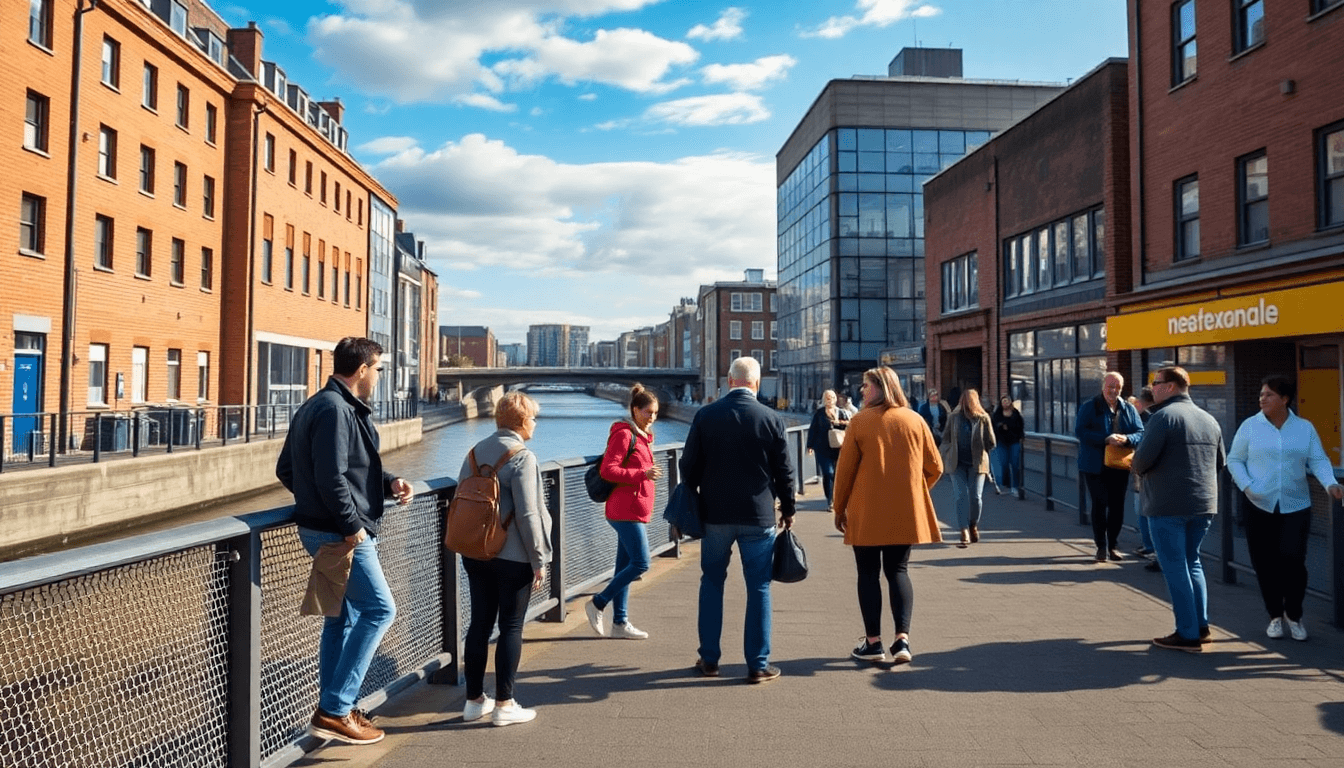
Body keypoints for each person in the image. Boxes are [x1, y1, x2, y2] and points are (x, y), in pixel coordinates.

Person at [276, 337, 414, 746]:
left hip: (327, 528)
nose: (379, 376)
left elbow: (291, 470)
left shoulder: (322, 404)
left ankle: (336, 706)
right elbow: (331, 477)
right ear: (361, 370)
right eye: (379, 369)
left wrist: (389, 483)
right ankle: (335, 709)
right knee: (379, 610)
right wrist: (349, 523)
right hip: (341, 534)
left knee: (341, 618)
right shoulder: (336, 409)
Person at [680, 356, 796, 683]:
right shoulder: (771, 418)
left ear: (730, 381)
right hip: (759, 516)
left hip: (715, 515)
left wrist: (702, 488)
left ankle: (709, 660)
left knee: (712, 582)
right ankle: (758, 665)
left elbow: (687, 468)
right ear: (756, 384)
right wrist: (787, 509)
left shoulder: (706, 416)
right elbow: (785, 472)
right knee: (758, 587)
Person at [832, 367, 943, 665]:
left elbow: (844, 474)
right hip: (903, 511)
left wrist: (839, 508)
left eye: (866, 386)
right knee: (898, 571)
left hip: (866, 510)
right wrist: (915, 492)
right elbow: (936, 467)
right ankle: (902, 641)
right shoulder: (915, 420)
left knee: (867, 573)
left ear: (882, 388)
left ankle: (873, 644)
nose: (862, 391)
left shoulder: (859, 422)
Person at [457, 391, 553, 726]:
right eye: (534, 418)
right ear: (523, 421)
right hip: (513, 557)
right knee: (511, 626)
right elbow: (528, 514)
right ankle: (504, 704)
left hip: (476, 552)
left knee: (479, 625)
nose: (536, 423)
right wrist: (539, 558)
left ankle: (473, 701)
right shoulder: (522, 456)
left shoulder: (474, 452)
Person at [1227, 376, 1344, 642]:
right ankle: (1275, 617)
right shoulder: (1250, 426)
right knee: (1265, 564)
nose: (1262, 399)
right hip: (1258, 504)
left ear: (1285, 399)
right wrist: (1247, 486)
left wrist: (1331, 484)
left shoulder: (1304, 428)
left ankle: (1294, 614)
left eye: (1268, 395)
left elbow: (1318, 459)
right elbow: (1235, 460)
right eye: (1261, 394)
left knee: (1293, 561)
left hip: (1295, 505)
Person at [1131, 366, 1225, 652]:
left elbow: (1140, 462)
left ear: (1170, 386)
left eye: (1156, 383)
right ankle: (1202, 626)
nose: (1153, 388)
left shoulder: (1162, 417)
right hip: (1203, 504)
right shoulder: (1209, 419)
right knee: (1192, 561)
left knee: (1174, 567)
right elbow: (1220, 462)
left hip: (1167, 505)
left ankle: (1187, 632)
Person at [585, 383, 663, 640]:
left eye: (655, 413)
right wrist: (642, 473)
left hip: (635, 509)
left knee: (624, 567)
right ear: (634, 410)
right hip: (623, 509)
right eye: (647, 412)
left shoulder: (643, 437)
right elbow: (609, 469)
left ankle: (620, 623)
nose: (651, 417)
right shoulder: (624, 435)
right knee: (641, 563)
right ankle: (598, 602)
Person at [1075, 372, 1144, 562]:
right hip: (1094, 465)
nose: (1113, 391)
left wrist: (1127, 439)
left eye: (1117, 387)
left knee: (1117, 506)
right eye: (1110, 387)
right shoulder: (1090, 406)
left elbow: (1140, 432)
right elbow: (1080, 431)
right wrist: (1105, 439)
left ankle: (1113, 544)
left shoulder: (1128, 409)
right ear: (1103, 387)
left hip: (1119, 464)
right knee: (1099, 504)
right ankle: (1101, 546)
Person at [940, 389, 995, 548]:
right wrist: (945, 453)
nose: (968, 404)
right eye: (965, 400)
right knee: (960, 495)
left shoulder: (983, 418)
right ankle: (963, 529)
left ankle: (973, 524)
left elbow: (991, 442)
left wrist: (985, 442)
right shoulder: (954, 418)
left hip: (977, 463)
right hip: (956, 463)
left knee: (976, 497)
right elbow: (946, 438)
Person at [1130, 388, 1161, 572]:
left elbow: (1145, 449)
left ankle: (1153, 551)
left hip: (1150, 477)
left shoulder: (1152, 419)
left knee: (1146, 512)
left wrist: (1137, 465)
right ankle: (1153, 550)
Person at [806, 389, 849, 510]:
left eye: (832, 397)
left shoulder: (841, 412)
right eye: (827, 397)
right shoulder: (819, 413)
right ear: (824, 399)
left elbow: (848, 427)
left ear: (835, 398)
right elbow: (813, 429)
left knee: (836, 474)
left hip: (838, 447)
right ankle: (830, 500)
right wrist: (810, 445)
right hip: (822, 448)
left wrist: (839, 422)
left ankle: (836, 497)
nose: (829, 399)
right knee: (828, 472)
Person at [990, 396, 1025, 496]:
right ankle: (1007, 485)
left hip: (1014, 441)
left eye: (1007, 401)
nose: (1005, 403)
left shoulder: (1016, 414)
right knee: (1004, 464)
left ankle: (1016, 486)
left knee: (1015, 464)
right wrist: (1000, 426)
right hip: (1001, 442)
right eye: (1003, 401)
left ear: (1011, 402)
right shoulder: (997, 414)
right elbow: (993, 427)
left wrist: (1020, 436)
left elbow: (1020, 426)